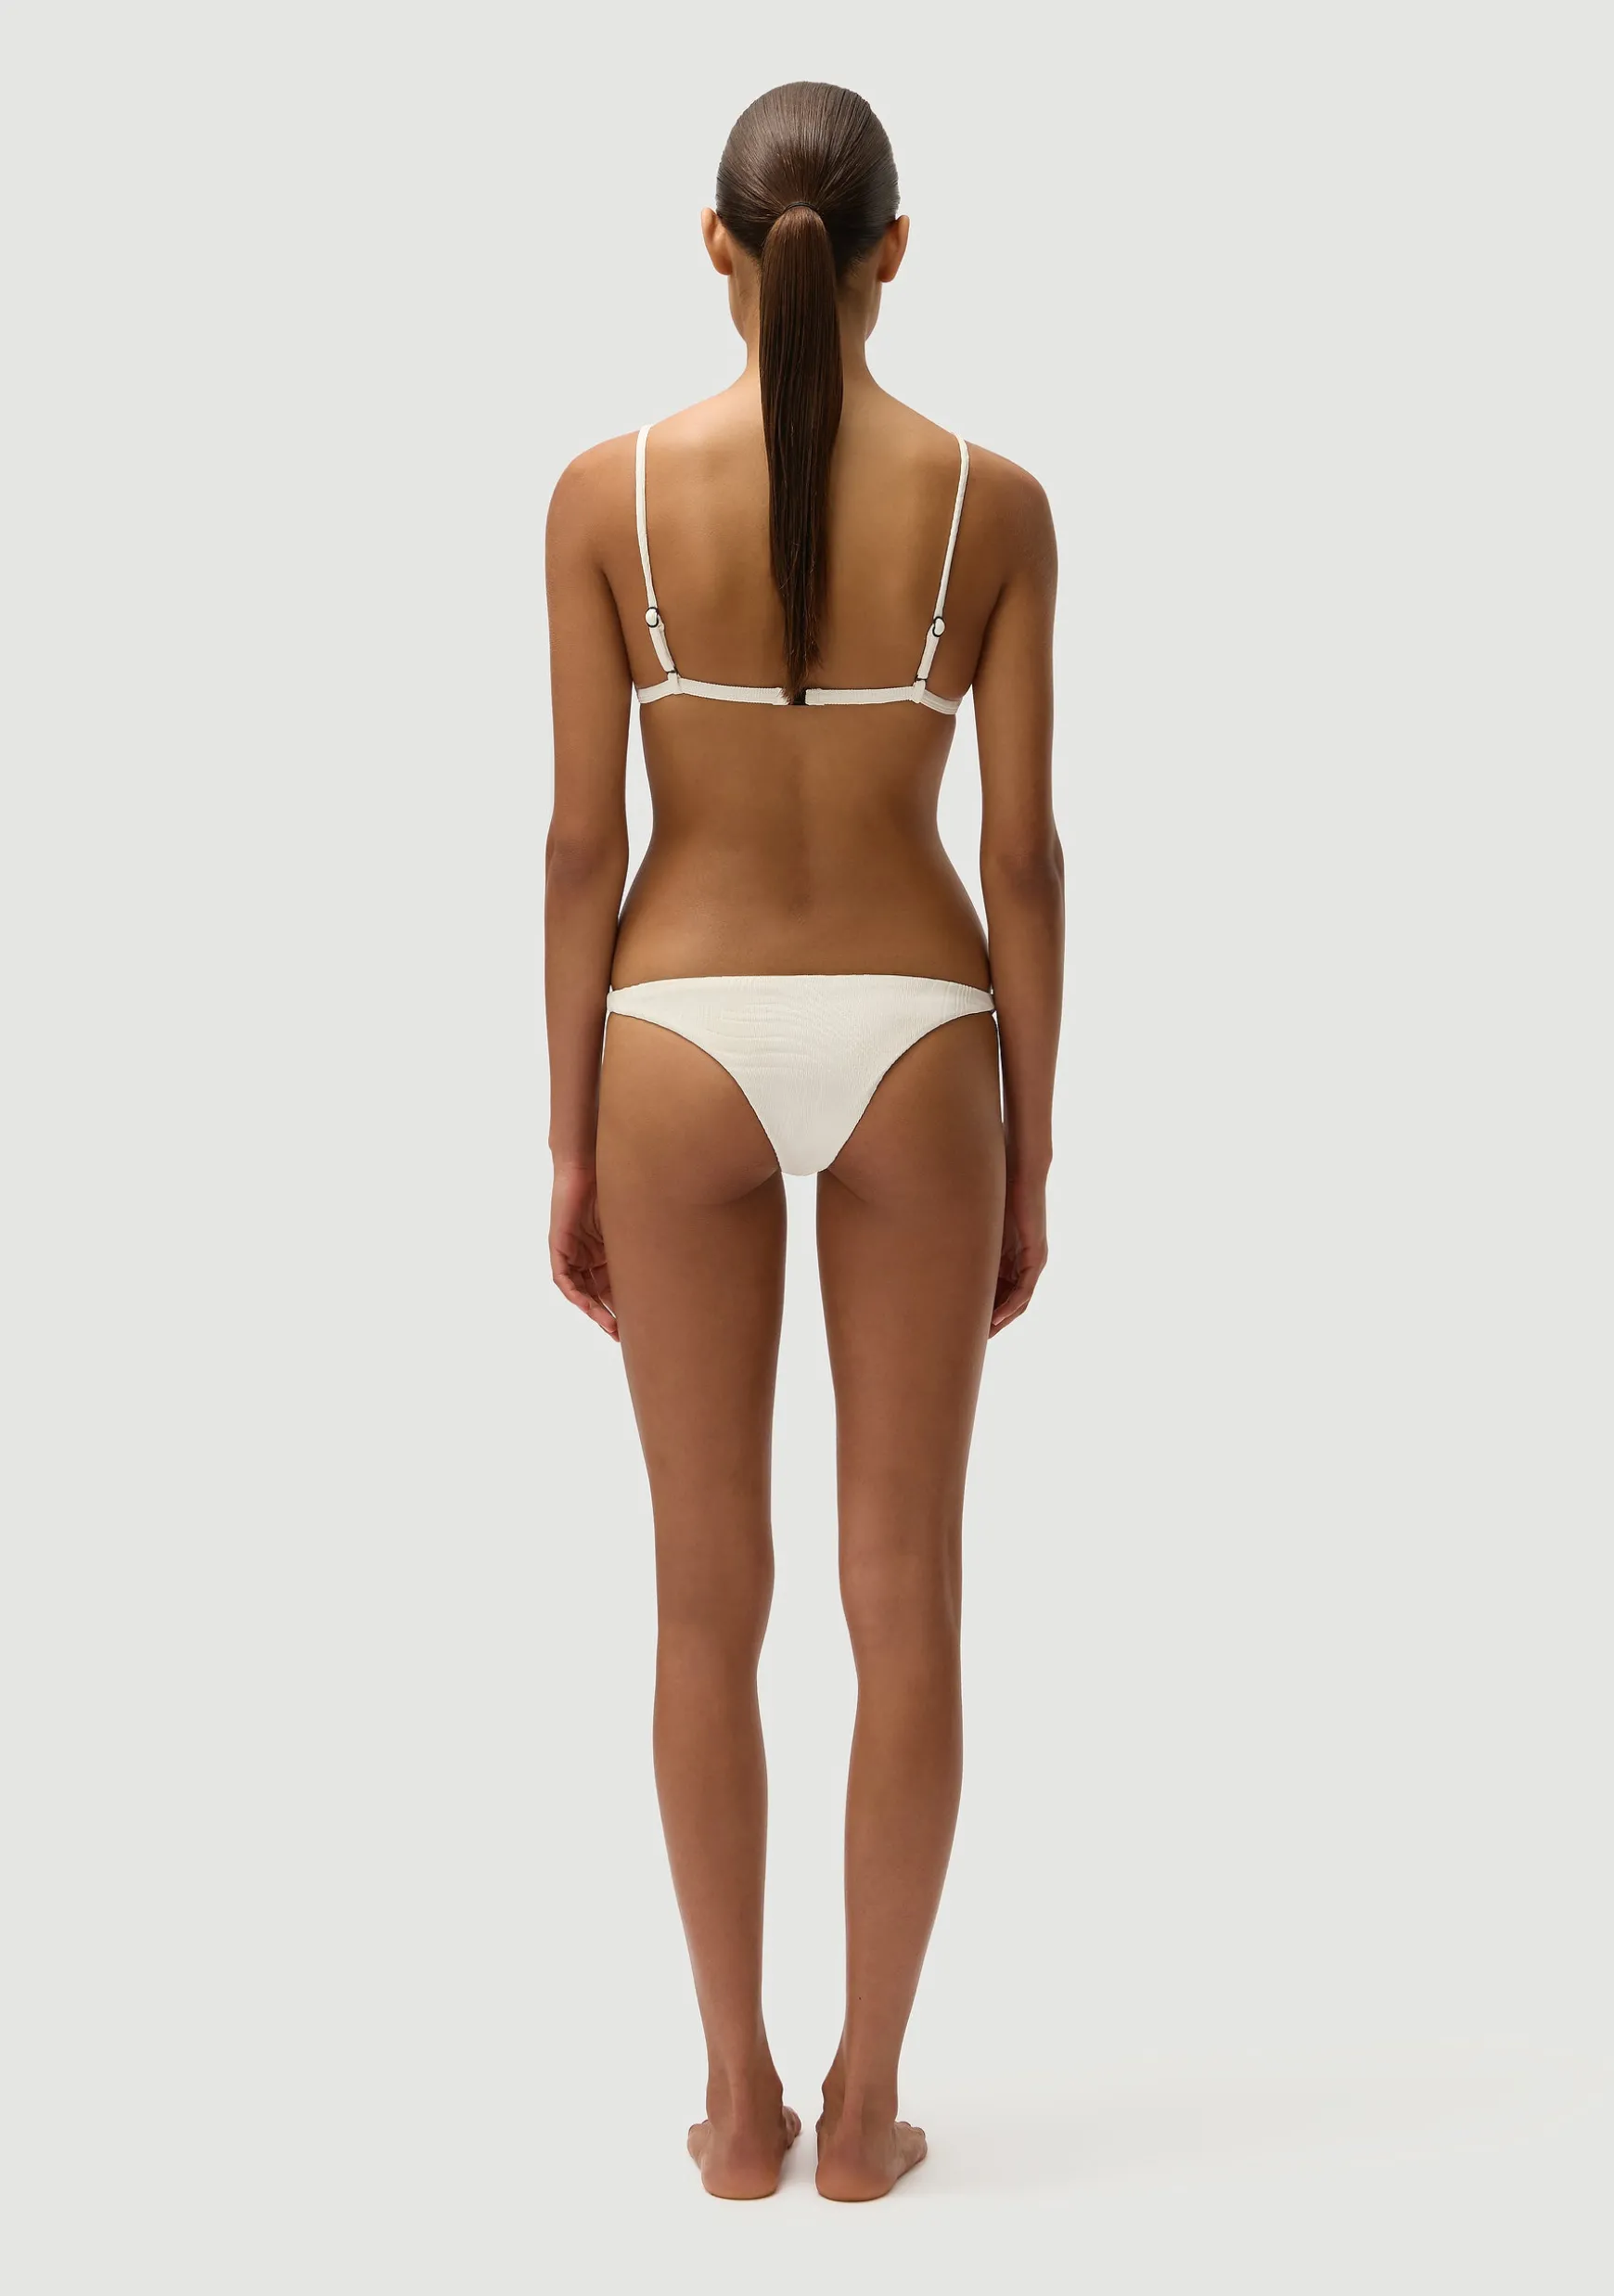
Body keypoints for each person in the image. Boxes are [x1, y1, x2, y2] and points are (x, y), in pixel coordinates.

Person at [544, 81, 1063, 2202]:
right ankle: (867, 2114)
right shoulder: (994, 505)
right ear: (892, 251)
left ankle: (738, 2103)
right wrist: (1036, 1149)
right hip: (924, 1034)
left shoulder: (602, 496)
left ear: (718, 243)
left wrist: (569, 1142)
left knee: (703, 1601)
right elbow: (1022, 858)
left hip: (669, 1034)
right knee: (905, 1587)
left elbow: (580, 846)